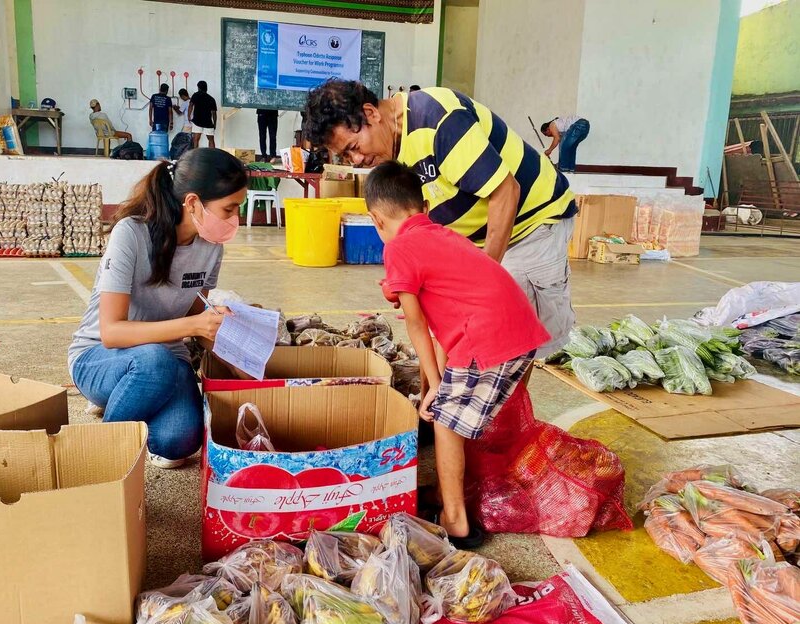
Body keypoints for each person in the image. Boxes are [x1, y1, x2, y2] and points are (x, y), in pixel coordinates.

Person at [304, 80, 577, 363]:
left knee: (515, 345)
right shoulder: (393, 148)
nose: (356, 160)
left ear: (371, 113)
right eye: (347, 155)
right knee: (486, 340)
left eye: (354, 147)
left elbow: (506, 191)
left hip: (531, 222)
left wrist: (482, 278)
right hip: (480, 236)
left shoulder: (438, 121)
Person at [367, 161, 549, 546]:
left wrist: (434, 385)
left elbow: (415, 325)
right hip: (517, 333)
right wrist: (438, 384)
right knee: (447, 409)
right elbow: (440, 329)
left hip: (490, 341)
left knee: (445, 423)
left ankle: (455, 520)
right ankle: (453, 497)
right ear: (424, 208)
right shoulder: (447, 237)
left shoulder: (399, 246)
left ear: (376, 220)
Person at [68, 148, 248, 469]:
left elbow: (196, 313)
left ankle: (135, 401)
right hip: (101, 357)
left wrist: (237, 356)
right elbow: (111, 332)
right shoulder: (132, 234)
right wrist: (194, 327)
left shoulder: (211, 248)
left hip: (166, 360)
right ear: (193, 203)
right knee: (154, 362)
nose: (235, 220)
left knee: (180, 441)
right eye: (229, 209)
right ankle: (100, 454)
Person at [189, 81, 218, 149]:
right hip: (208, 122)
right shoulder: (211, 99)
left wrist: (189, 116)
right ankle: (212, 157)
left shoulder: (195, 95)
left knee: (196, 140)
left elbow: (191, 105)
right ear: (206, 88)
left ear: (198, 87)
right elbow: (214, 113)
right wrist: (215, 123)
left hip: (197, 121)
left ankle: (195, 157)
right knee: (211, 140)